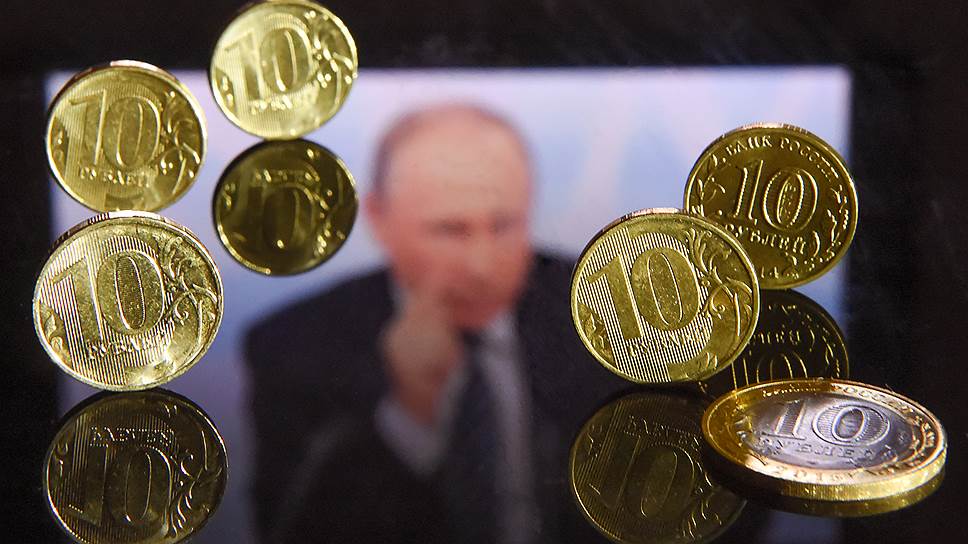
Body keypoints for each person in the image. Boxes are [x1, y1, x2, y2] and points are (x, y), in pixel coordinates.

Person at [246, 104, 625, 543]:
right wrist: (412, 412)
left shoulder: (610, 312)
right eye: (449, 230)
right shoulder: (297, 346)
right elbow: (291, 532)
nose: (481, 265)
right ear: (379, 219)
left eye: (504, 225)